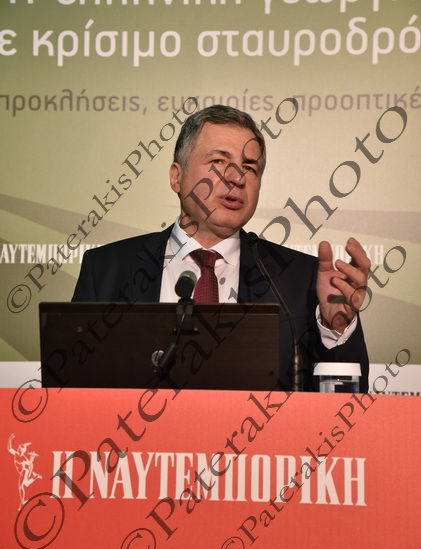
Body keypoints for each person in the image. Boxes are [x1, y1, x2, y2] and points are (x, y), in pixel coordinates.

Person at [72, 105, 370, 391]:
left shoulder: (299, 279)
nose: (236, 178)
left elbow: (342, 406)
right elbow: (69, 389)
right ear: (176, 176)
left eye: (249, 167)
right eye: (217, 161)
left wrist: (336, 328)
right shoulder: (107, 270)